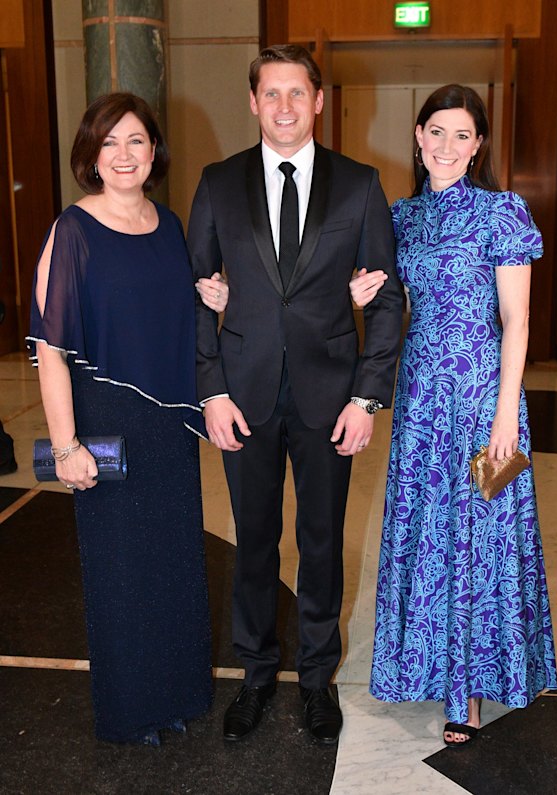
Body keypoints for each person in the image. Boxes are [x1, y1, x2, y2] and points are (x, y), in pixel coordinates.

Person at [187, 45, 403, 744]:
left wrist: (366, 398)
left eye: (296, 93)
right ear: (252, 102)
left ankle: (316, 679)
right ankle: (254, 674)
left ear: (318, 100)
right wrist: (211, 390)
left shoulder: (360, 185)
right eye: (269, 93)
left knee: (319, 541)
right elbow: (192, 297)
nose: (283, 106)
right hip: (242, 399)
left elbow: (390, 300)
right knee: (253, 542)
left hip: (329, 397)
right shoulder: (217, 183)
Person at [350, 84, 557, 746]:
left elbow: (517, 321)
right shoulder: (400, 217)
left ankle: (469, 689)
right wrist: (358, 293)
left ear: (479, 146)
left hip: (480, 398)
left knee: (477, 536)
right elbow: (384, 302)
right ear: (417, 135)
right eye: (436, 131)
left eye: (462, 135)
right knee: (429, 535)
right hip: (421, 403)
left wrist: (505, 417)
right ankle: (426, 670)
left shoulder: (502, 213)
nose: (446, 145)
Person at [26, 93, 227, 745]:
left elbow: (176, 309)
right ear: (90, 153)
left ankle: (178, 692)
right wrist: (65, 445)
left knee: (171, 562)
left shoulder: (169, 226)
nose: (122, 154)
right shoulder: (73, 230)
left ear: (154, 151)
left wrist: (209, 295)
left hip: (167, 427)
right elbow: (51, 348)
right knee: (120, 571)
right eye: (108, 142)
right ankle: (131, 708)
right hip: (105, 420)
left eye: (135, 140)